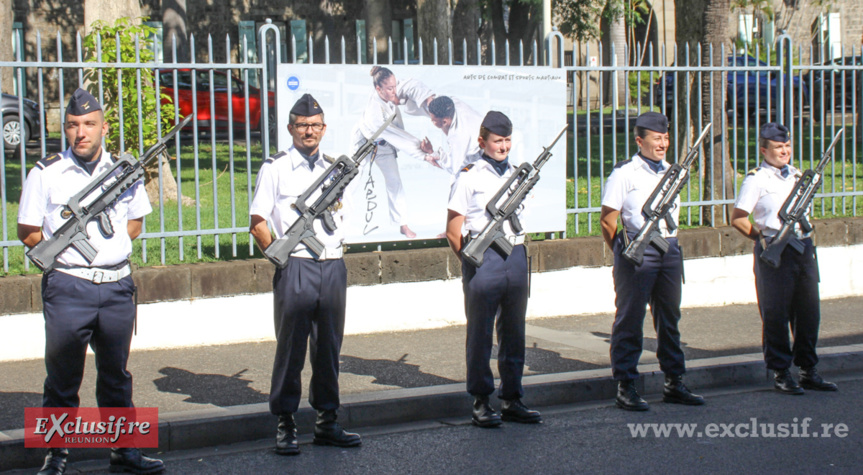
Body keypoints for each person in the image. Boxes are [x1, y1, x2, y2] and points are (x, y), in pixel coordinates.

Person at [17, 88, 164, 474]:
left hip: (116, 287)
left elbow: (135, 222)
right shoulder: (46, 172)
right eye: (73, 125)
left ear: (104, 127)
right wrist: (67, 252)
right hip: (69, 286)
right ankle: (55, 455)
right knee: (62, 376)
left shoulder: (121, 171)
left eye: (89, 124)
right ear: (65, 129)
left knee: (117, 375)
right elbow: (28, 229)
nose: (80, 132)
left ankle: (125, 451)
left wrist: (106, 250)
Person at [250, 93, 361, 455]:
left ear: (324, 129)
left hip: (331, 265)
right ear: (290, 129)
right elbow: (258, 223)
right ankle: (285, 422)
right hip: (296, 265)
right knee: (292, 348)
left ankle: (327, 420)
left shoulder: (332, 168)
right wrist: (282, 260)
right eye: (302, 126)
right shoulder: (276, 168)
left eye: (315, 126)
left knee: (329, 348)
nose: (308, 131)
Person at [599, 111, 704, 411]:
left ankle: (674, 380)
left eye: (666, 138)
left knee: (669, 318)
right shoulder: (625, 173)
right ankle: (626, 384)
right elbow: (608, 219)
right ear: (639, 140)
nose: (662, 144)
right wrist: (624, 249)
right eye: (656, 139)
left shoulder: (673, 172)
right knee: (630, 319)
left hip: (669, 249)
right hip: (637, 249)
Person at [446, 111, 541, 428]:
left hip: (515, 255)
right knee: (481, 334)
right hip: (483, 258)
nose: (503, 146)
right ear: (482, 141)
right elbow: (453, 229)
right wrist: (472, 263)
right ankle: (481, 400)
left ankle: (512, 398)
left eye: (507, 140)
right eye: (497, 140)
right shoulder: (469, 175)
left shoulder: (516, 173)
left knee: (514, 332)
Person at [730, 122, 837, 395]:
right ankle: (780, 371)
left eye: (787, 146)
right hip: (775, 248)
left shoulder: (798, 176)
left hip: (802, 247)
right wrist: (761, 239)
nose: (784, 151)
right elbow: (738, 217)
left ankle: (807, 369)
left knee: (808, 312)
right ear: (764, 149)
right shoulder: (756, 179)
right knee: (776, 313)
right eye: (778, 147)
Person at [353, 66, 438, 239]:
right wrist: (423, 154)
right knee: (352, 178)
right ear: (378, 89)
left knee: (395, 182)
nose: (395, 90)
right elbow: (396, 135)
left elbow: (411, 84)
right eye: (390, 88)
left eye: (395, 85)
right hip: (363, 142)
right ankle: (339, 215)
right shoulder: (374, 112)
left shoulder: (393, 89)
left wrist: (429, 100)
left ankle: (402, 224)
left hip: (384, 146)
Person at [422, 95, 483, 177]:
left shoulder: (457, 138)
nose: (431, 121)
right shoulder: (456, 103)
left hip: (484, 161)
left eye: (433, 120)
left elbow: (452, 168)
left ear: (444, 122)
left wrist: (431, 152)